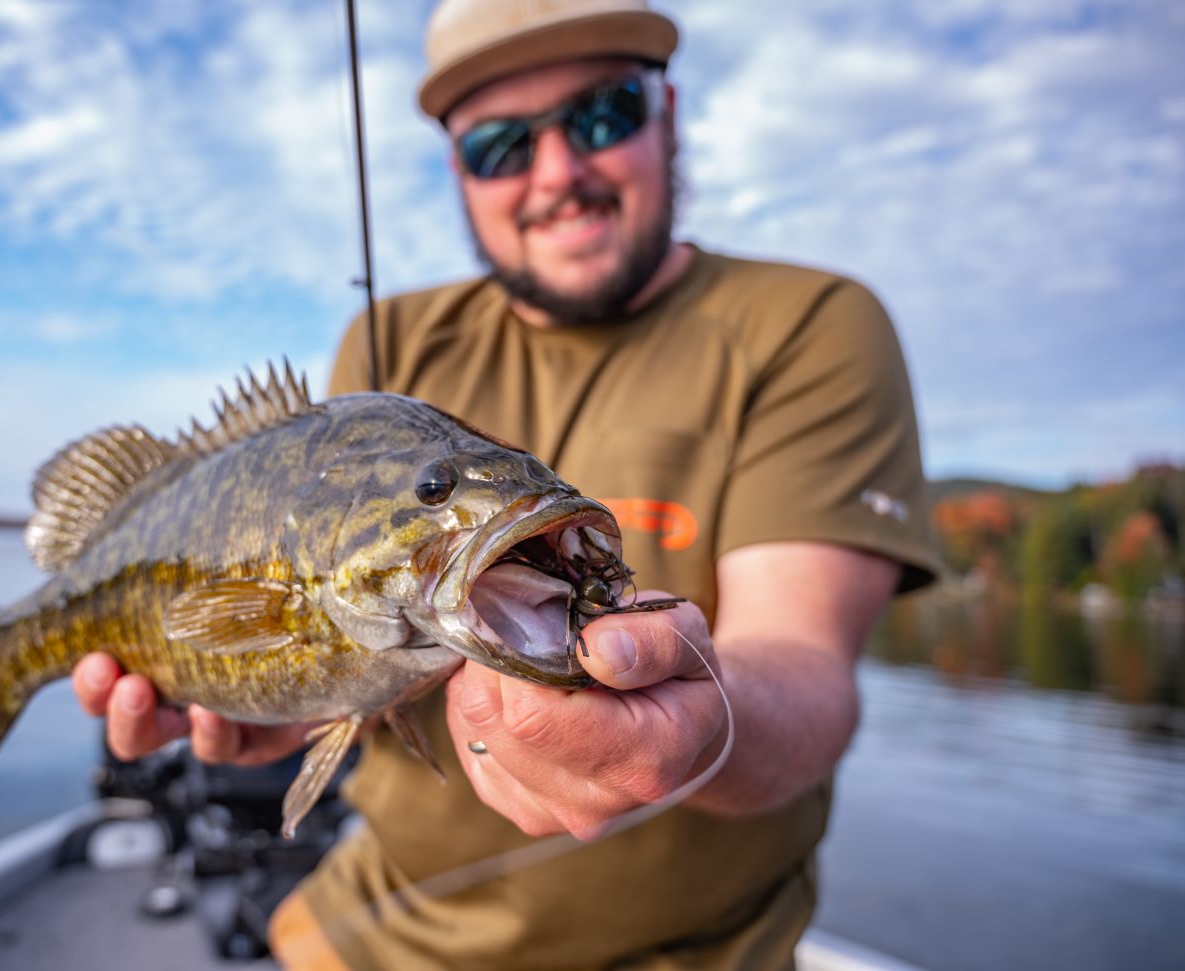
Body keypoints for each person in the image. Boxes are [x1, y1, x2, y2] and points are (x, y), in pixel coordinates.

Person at [72, 0, 939, 967]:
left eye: (604, 112)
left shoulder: (811, 325)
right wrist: (285, 703)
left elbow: (806, 665)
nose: (559, 172)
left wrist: (707, 726)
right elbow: (345, 645)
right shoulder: (389, 347)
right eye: (500, 145)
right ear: (457, 168)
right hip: (372, 929)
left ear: (671, 113)